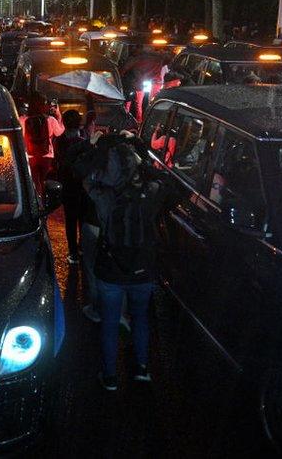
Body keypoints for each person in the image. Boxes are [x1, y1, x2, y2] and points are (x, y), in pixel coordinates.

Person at [83, 131, 171, 390]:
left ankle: (110, 377)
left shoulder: (103, 195)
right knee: (140, 317)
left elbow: (81, 171)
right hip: (142, 268)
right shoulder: (151, 192)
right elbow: (165, 181)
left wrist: (99, 148)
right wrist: (142, 157)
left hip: (111, 268)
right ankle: (142, 369)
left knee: (109, 323)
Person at [55, 110, 86, 265]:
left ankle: (73, 252)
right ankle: (82, 248)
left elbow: (59, 164)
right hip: (84, 187)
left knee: (71, 220)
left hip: (68, 187)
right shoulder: (84, 141)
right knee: (83, 218)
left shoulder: (59, 141)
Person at [20, 97, 65, 197]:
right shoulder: (51, 120)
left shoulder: (23, 120)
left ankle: (37, 201)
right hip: (47, 155)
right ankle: (43, 201)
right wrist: (58, 115)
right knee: (42, 180)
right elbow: (59, 132)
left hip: (30, 155)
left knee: (34, 180)